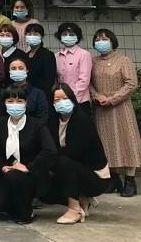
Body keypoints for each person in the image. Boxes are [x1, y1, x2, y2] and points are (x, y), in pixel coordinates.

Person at [43, 83, 111, 224]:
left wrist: (50, 159)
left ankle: (75, 209)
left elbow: (73, 153)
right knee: (44, 190)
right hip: (75, 170)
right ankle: (83, 199)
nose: (61, 102)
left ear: (72, 98)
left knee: (63, 161)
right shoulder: (53, 121)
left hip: (95, 177)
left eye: (64, 98)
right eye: (56, 100)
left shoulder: (82, 120)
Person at [90, 28, 141, 197]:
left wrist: (113, 98)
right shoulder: (93, 61)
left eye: (105, 38)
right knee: (106, 143)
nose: (101, 41)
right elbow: (88, 82)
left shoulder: (124, 60)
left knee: (127, 141)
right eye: (98, 38)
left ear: (112, 41)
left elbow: (131, 84)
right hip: (101, 108)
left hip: (121, 108)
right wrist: (97, 96)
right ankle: (113, 179)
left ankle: (130, 180)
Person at [0, 86, 56, 224]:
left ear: (26, 103)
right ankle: (18, 207)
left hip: (31, 174)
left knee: (15, 178)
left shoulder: (36, 124)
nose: (15, 105)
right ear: (4, 103)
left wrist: (29, 167)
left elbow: (49, 150)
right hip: (6, 172)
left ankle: (26, 213)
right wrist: (2, 166)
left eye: (19, 101)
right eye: (10, 100)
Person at [55, 22, 93, 114]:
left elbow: (84, 80)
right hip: (62, 101)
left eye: (72, 34)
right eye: (64, 34)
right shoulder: (56, 56)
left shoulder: (84, 54)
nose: (68, 36)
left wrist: (71, 96)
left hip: (80, 101)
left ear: (77, 37)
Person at [0, 56, 48, 122]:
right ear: (9, 71)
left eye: (21, 68)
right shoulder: (3, 93)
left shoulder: (38, 94)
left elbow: (42, 117)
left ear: (27, 70)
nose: (17, 71)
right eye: (13, 68)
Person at [24, 23, 57, 95]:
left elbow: (49, 81)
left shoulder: (47, 55)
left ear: (42, 37)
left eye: (35, 34)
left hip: (42, 95)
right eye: (29, 34)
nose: (32, 37)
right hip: (27, 95)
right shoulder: (25, 55)